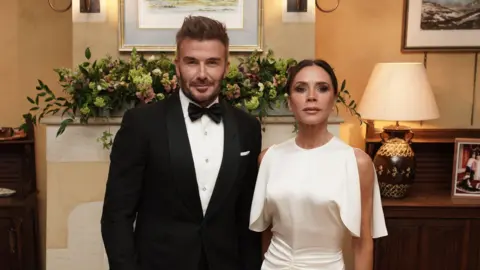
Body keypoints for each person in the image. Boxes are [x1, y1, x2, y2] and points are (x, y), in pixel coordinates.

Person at [101, 15, 263, 270]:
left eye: (212, 63)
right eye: (191, 62)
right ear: (177, 65)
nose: (202, 74)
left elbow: (247, 216)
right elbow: (116, 215)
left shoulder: (248, 127)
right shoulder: (141, 123)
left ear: (226, 67)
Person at [249, 59, 388, 269]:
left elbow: (363, 243)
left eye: (322, 88)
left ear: (333, 101)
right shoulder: (269, 158)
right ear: (289, 102)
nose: (311, 97)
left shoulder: (356, 162)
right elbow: (266, 231)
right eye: (300, 88)